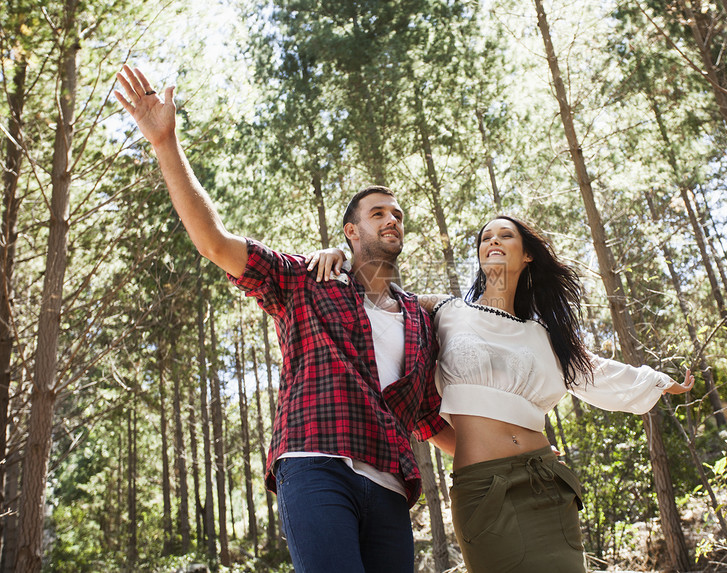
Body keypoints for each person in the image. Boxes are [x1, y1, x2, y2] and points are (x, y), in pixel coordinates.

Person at [114, 65, 455, 573]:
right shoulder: (307, 280)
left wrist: (507, 459)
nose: (392, 220)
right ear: (351, 232)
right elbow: (214, 243)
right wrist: (166, 144)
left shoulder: (419, 320)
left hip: (389, 484)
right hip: (316, 465)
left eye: (398, 214)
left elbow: (427, 417)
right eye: (379, 213)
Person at [308, 215, 694, 573]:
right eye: (485, 237)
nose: (493, 241)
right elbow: (380, 292)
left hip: (546, 481)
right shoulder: (448, 310)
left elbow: (599, 372)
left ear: (526, 254)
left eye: (505, 235)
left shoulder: (546, 335)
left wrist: (659, 381)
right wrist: (340, 254)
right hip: (484, 489)